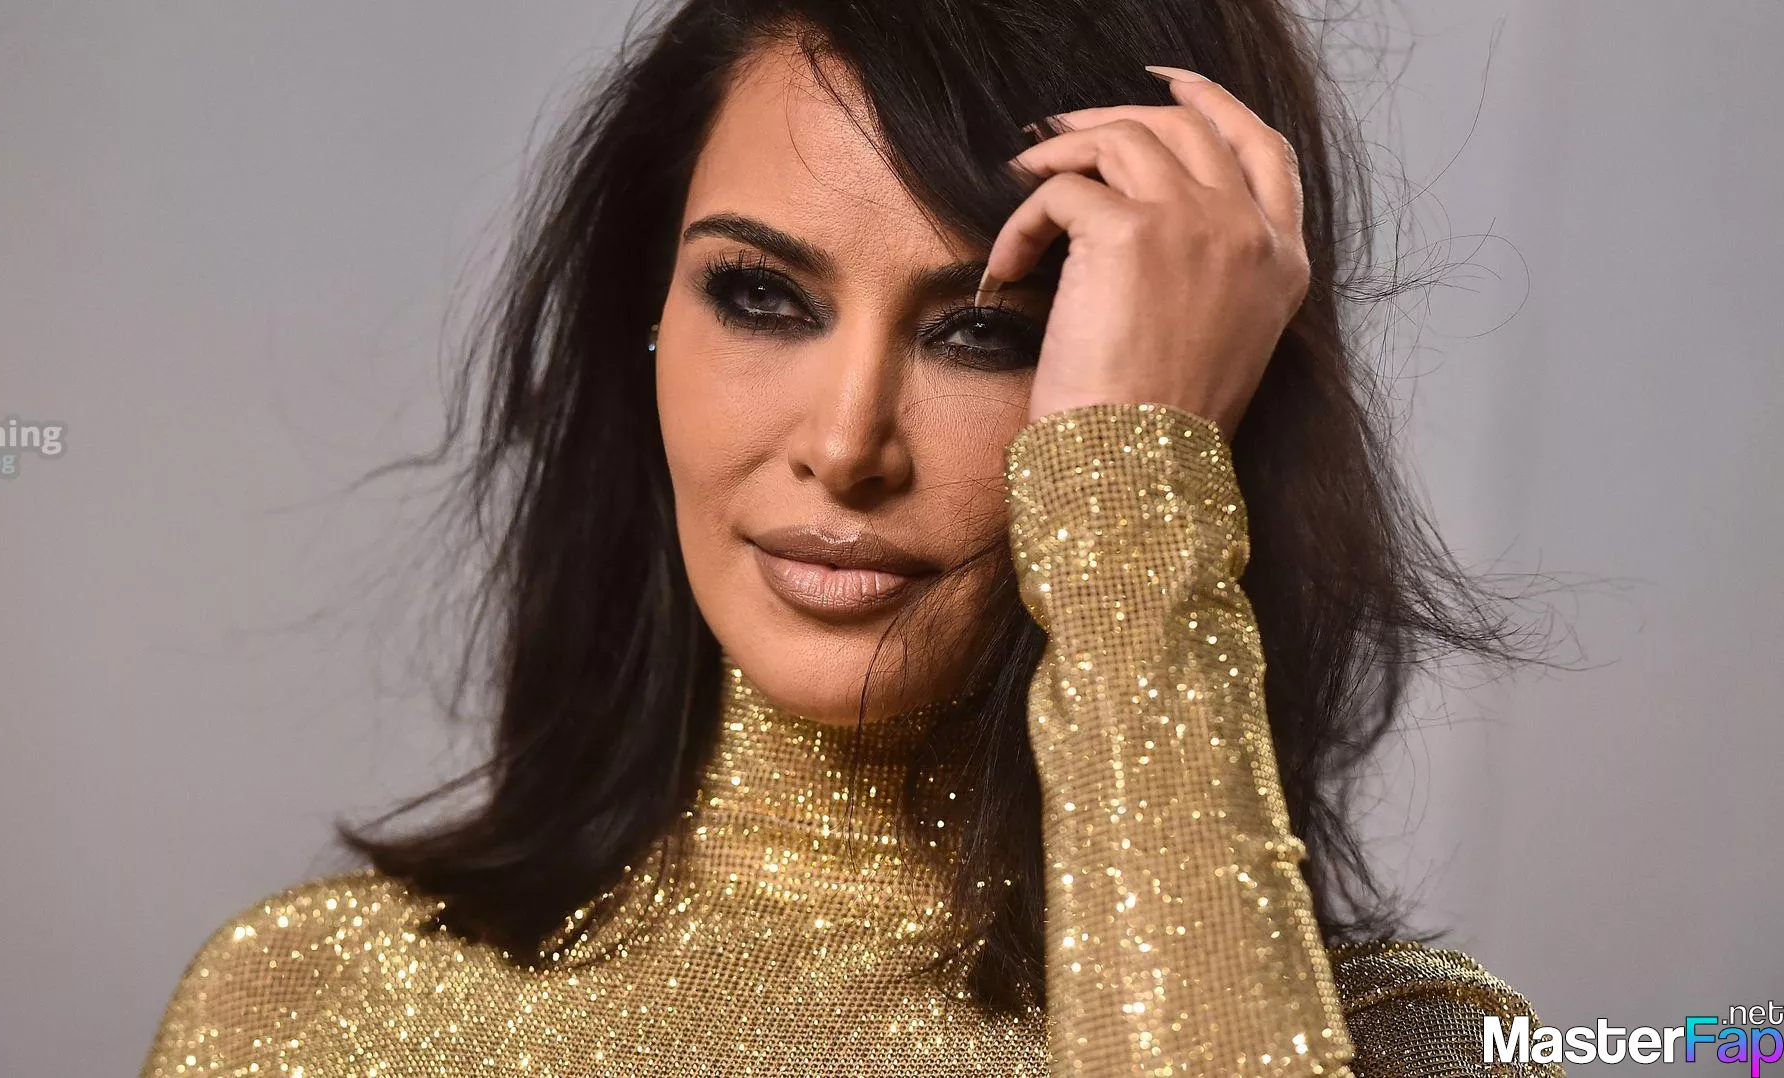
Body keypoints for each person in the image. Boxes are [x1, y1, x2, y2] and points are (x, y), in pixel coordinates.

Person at [142, 1, 1563, 1074]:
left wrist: (1130, 511)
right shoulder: (305, 1008)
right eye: (761, 297)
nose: (846, 442)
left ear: (1184, 396)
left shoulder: (1421, 1052)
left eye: (987, 332)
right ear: (644, 327)